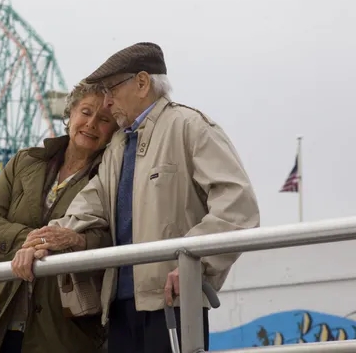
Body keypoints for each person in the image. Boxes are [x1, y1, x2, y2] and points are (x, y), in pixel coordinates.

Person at [22, 42, 261, 353]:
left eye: (111, 89)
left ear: (142, 83)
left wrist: (194, 264)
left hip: (174, 301)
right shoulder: (118, 146)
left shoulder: (190, 127)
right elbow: (90, 205)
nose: (106, 102)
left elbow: (238, 206)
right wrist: (43, 240)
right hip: (119, 310)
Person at [0, 80, 119, 353]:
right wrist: (35, 241)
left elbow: (112, 239)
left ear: (114, 130)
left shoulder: (110, 177)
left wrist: (74, 241)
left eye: (104, 119)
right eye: (85, 112)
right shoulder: (24, 162)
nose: (92, 124)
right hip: (0, 320)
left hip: (62, 330)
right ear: (70, 114)